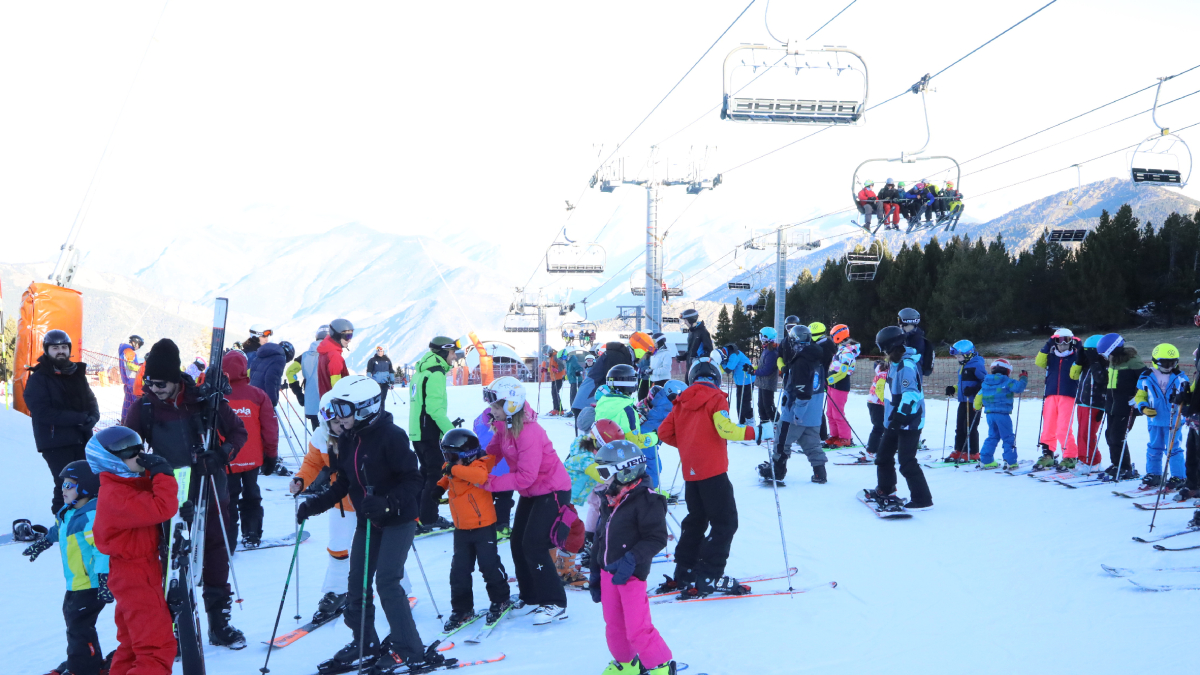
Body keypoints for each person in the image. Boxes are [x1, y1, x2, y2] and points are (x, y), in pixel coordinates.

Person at [295, 376, 445, 672]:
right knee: (356, 583)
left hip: (398, 520)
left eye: (344, 409)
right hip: (368, 520)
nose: (337, 417)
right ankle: (365, 642)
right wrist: (314, 505)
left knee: (387, 581)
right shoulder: (349, 438)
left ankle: (409, 649)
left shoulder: (392, 435)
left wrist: (388, 502)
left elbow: (414, 479)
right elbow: (344, 482)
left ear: (365, 408)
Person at [121, 338, 248, 649]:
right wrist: (148, 466)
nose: (154, 388)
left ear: (176, 378)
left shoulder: (204, 400)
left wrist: (220, 455)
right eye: (149, 382)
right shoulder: (145, 407)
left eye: (160, 383)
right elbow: (128, 449)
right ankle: (177, 628)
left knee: (216, 552)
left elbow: (238, 432)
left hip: (211, 487)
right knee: (174, 559)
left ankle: (219, 623)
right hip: (171, 493)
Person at [656, 359, 755, 598]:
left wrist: (690, 443)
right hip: (713, 472)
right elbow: (726, 429)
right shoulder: (716, 398)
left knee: (696, 520)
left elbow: (664, 432)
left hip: (691, 475)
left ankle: (685, 569)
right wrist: (756, 432)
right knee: (725, 522)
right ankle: (710, 573)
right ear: (716, 379)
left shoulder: (680, 401)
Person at [479, 376, 572, 624]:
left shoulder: (529, 432)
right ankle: (531, 595)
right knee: (517, 542)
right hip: (532, 493)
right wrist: (476, 465)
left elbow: (526, 477)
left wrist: (489, 483)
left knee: (533, 544)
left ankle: (554, 601)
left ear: (510, 406)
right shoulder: (504, 426)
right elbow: (494, 451)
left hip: (552, 491)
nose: (491, 411)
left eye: (495, 407)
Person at [87, 426, 178, 675]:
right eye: (130, 452)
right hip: (136, 575)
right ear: (110, 460)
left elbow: (154, 500)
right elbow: (161, 506)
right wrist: (163, 475)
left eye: (140, 448)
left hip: (133, 572)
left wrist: (156, 474)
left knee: (132, 644)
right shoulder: (116, 495)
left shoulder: (126, 486)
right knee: (156, 647)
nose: (139, 455)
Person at [589, 439, 675, 675]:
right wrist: (596, 570)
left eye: (605, 471)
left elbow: (656, 537)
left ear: (625, 471)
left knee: (637, 627)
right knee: (614, 625)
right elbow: (601, 535)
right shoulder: (611, 497)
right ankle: (627, 664)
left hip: (631, 575)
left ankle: (660, 665)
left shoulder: (648, 500)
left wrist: (631, 559)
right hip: (609, 574)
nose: (602, 478)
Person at [22, 460, 111, 675]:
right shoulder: (69, 512)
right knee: (75, 623)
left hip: (90, 584)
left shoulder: (90, 517)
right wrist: (43, 543)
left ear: (86, 487)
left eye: (69, 485)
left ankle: (82, 668)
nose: (63, 489)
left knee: (79, 626)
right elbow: (58, 530)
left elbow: (102, 550)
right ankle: (84, 661)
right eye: (63, 485)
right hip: (76, 582)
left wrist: (103, 579)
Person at [436, 429, 513, 632]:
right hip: (461, 529)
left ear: (467, 455)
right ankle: (462, 609)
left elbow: (478, 476)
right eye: (446, 456)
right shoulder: (453, 467)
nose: (448, 461)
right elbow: (447, 473)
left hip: (483, 527)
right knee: (459, 572)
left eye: (452, 456)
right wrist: (439, 487)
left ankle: (501, 599)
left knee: (489, 566)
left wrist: (451, 469)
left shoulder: (479, 465)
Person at [23, 329, 100, 516]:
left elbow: (91, 400)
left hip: (81, 438)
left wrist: (93, 417)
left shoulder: (76, 374)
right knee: (65, 484)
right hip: (54, 441)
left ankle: (81, 520)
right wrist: (79, 418)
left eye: (64, 347)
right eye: (55, 347)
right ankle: (61, 523)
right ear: (47, 350)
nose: (60, 351)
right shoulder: (39, 379)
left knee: (84, 481)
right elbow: (43, 412)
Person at [865, 326, 933, 510]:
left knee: (907, 462)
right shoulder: (894, 364)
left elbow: (911, 395)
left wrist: (899, 419)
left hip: (909, 422)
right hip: (894, 420)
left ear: (889, 347)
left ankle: (922, 499)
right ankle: (885, 490)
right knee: (883, 457)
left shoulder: (907, 365)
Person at [221, 349, 279, 548]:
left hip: (227, 459)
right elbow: (269, 429)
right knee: (252, 494)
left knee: (228, 499)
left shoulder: (218, 396)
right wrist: (271, 455)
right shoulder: (257, 395)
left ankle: (228, 541)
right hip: (252, 460)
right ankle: (252, 534)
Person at [766, 325, 829, 484]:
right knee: (812, 443)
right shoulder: (816, 357)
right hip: (814, 412)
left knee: (782, 442)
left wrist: (797, 414)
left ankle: (777, 472)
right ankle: (819, 472)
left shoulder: (801, 361)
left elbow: (802, 391)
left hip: (796, 412)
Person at [410, 336, 459, 534]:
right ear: (443, 352)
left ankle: (416, 515)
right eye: (453, 352)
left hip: (417, 431)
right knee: (435, 474)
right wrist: (451, 433)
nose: (455, 357)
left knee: (425, 473)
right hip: (429, 431)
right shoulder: (436, 373)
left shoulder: (421, 371)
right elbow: (434, 409)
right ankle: (428, 518)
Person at [1134, 343, 1189, 489]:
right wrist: (1143, 407)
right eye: (1164, 363)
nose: (1168, 366)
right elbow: (1140, 395)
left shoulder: (1180, 378)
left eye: (1172, 363)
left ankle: (1178, 476)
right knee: (1154, 447)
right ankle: (1154, 474)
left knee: (1173, 448)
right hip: (1154, 419)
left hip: (1173, 419)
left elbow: (1187, 395)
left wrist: (1183, 400)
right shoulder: (1146, 376)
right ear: (1155, 361)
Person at [1098, 334, 1142, 480]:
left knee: (1118, 436)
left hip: (1126, 406)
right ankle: (1117, 464)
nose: (1105, 357)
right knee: (1109, 435)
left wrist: (1138, 397)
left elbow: (1145, 380)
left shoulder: (1133, 361)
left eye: (1106, 353)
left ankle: (1125, 467)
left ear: (1113, 349)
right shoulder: (1113, 362)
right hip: (1112, 405)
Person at [1034, 328, 1080, 468]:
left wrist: (1080, 346)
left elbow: (1085, 361)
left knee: (1063, 427)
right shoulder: (1051, 356)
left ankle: (1070, 456)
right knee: (1048, 426)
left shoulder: (1075, 357)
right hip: (1051, 394)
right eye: (1058, 340)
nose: (1062, 344)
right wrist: (1047, 345)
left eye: (1066, 340)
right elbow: (1039, 362)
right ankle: (1048, 454)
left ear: (1071, 341)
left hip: (1068, 395)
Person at [973, 359, 1029, 469]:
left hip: (990, 414)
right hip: (1002, 414)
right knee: (1008, 437)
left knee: (993, 436)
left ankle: (985, 460)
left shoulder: (986, 382)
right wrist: (1023, 378)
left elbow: (979, 395)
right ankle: (1010, 461)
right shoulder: (1007, 381)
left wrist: (977, 406)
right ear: (1007, 371)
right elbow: (1019, 388)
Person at [637, 381, 685, 489]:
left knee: (648, 466)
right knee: (655, 467)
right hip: (647, 439)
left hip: (643, 436)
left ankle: (645, 488)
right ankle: (648, 491)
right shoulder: (667, 406)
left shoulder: (657, 401)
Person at [946, 339, 987, 462]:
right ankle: (959, 449)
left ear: (968, 354)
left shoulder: (977, 365)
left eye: (959, 356)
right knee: (959, 427)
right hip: (963, 401)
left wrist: (974, 389)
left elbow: (986, 382)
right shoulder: (964, 366)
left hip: (974, 402)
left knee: (970, 428)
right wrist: (953, 388)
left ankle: (973, 452)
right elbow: (963, 384)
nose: (957, 358)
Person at [1072, 335, 1108, 467]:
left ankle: (1093, 461)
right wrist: (1078, 361)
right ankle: (1083, 458)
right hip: (1082, 402)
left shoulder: (1104, 364)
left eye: (1090, 352)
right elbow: (1073, 375)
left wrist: (1095, 362)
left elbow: (1100, 379)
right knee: (1081, 433)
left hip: (1095, 404)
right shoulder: (1086, 364)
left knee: (1088, 434)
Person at [825, 331, 860, 448]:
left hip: (840, 384)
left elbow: (843, 372)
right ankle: (835, 435)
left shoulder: (847, 351)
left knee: (837, 412)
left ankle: (845, 438)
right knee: (829, 412)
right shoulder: (842, 349)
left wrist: (832, 379)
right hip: (832, 383)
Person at [718, 343, 755, 425]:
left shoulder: (734, 354)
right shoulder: (730, 354)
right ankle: (742, 421)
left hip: (747, 381)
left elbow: (728, 369)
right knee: (739, 403)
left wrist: (721, 363)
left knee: (745, 402)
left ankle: (750, 420)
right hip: (740, 382)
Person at [317, 318, 354, 397]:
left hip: (326, 401)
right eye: (347, 336)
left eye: (351, 335)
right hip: (336, 404)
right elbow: (336, 385)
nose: (349, 340)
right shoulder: (334, 356)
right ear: (337, 335)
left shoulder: (324, 351)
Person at [302, 325, 329, 429]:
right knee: (329, 433)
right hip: (327, 402)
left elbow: (290, 371)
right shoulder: (331, 354)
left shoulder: (305, 355)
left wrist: (298, 391)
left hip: (311, 401)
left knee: (317, 433)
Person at [897, 308, 934, 376]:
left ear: (905, 321)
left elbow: (912, 356)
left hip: (913, 372)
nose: (899, 325)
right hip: (908, 371)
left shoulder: (917, 339)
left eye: (899, 320)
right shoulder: (907, 337)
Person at [754, 327, 780, 425]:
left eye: (761, 336)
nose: (760, 339)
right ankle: (764, 425)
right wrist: (752, 368)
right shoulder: (766, 350)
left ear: (766, 337)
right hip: (762, 383)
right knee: (761, 405)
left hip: (768, 383)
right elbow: (762, 365)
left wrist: (754, 372)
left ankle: (777, 423)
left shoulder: (772, 352)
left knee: (768, 405)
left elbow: (767, 370)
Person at [118, 335, 144, 422]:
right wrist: (142, 368)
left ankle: (125, 420)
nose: (138, 347)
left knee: (127, 402)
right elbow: (130, 365)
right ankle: (136, 421)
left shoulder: (123, 351)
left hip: (126, 379)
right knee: (136, 402)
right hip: (132, 379)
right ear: (134, 342)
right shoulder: (129, 352)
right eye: (139, 345)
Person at [866, 360, 888, 457]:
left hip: (875, 403)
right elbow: (880, 391)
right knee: (879, 427)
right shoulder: (884, 375)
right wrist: (886, 402)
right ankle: (871, 450)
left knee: (882, 426)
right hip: (877, 403)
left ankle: (878, 447)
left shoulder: (882, 373)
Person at [542, 345, 567, 415]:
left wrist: (557, 370)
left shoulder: (556, 356)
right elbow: (553, 368)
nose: (546, 355)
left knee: (555, 393)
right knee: (553, 393)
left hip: (558, 377)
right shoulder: (552, 357)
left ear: (549, 351)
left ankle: (560, 410)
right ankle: (555, 409)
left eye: (546, 353)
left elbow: (561, 365)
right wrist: (546, 369)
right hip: (554, 378)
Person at [562, 347, 586, 416]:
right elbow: (570, 372)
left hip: (576, 381)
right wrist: (565, 377)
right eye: (561, 359)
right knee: (572, 395)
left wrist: (578, 372)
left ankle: (576, 410)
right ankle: (573, 409)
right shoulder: (568, 362)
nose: (563, 360)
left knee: (575, 396)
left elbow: (580, 368)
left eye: (563, 358)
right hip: (572, 380)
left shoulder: (573, 360)